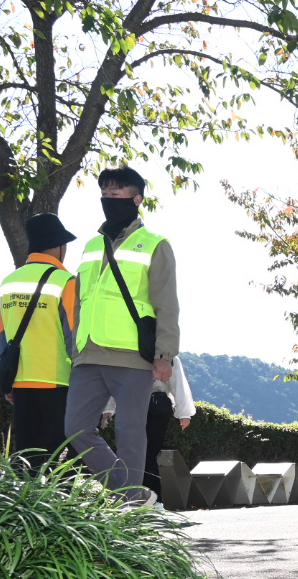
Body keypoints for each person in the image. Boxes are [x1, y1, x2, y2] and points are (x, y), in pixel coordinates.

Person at [65, 166, 178, 505]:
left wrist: (165, 354)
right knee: (75, 428)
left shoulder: (155, 244)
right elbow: (81, 301)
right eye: (104, 194)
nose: (108, 200)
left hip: (131, 352)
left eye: (115, 194)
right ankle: (128, 490)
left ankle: (129, 502)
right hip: (87, 353)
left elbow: (166, 303)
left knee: (130, 432)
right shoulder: (90, 246)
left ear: (136, 198)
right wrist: (73, 347)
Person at [0, 213, 78, 471]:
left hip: (20, 380)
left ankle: (25, 509)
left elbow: (2, 337)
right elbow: (74, 337)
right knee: (57, 459)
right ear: (58, 246)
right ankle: (57, 509)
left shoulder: (9, 282)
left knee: (25, 456)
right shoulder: (66, 281)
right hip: (57, 380)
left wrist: (7, 380)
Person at [101, 353, 194, 504]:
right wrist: (108, 408)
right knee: (141, 453)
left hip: (149, 404)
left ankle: (147, 497)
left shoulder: (165, 353)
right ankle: (149, 498)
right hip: (140, 404)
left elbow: (178, 382)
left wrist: (184, 413)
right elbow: (115, 379)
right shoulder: (130, 350)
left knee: (145, 453)